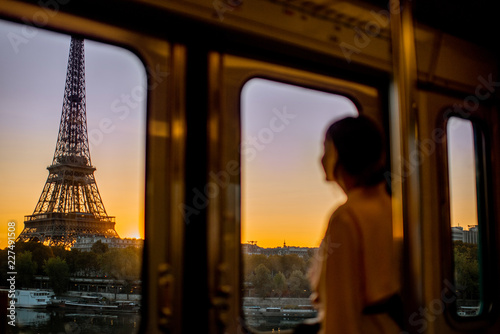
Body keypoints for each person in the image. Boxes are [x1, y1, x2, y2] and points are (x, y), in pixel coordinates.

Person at [308, 115, 402, 334]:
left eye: (326, 149)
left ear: (340, 155)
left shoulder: (346, 217)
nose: (321, 159)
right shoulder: (392, 208)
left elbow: (341, 315)